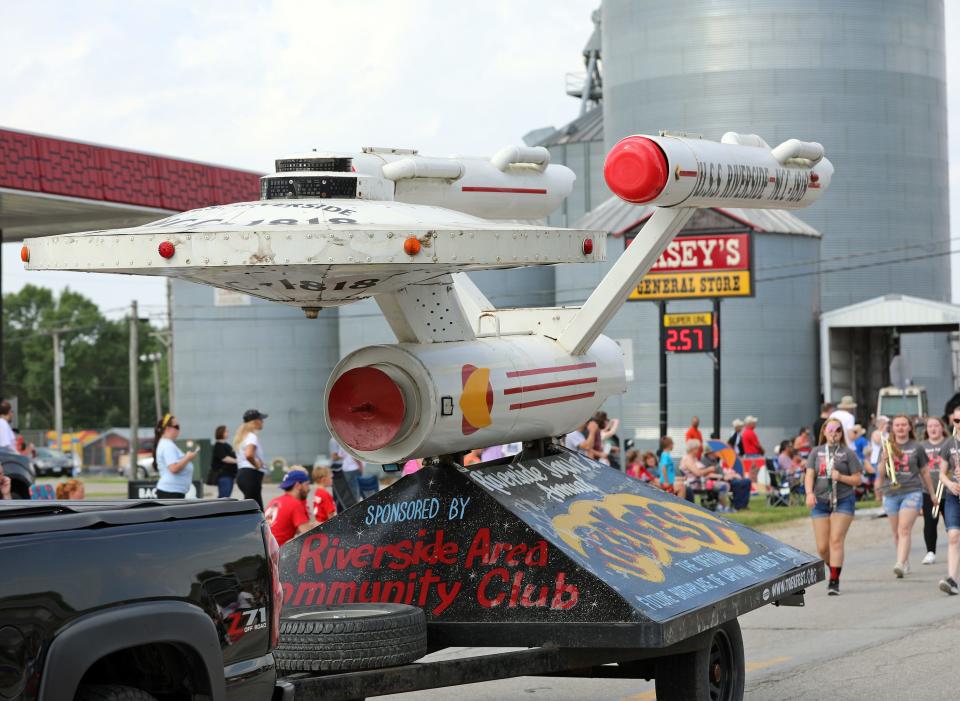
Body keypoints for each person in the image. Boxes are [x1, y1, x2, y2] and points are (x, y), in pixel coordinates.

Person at [805, 417, 863, 595]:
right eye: (830, 429)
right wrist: (809, 493)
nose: (833, 433)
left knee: (836, 540)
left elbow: (858, 480)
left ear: (841, 433)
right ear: (824, 431)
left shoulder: (848, 453)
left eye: (837, 430)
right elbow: (809, 474)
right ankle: (833, 568)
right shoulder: (816, 452)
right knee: (823, 547)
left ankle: (834, 581)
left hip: (843, 500)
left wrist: (841, 477)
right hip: (821, 501)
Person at [875, 414, 938, 578]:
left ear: (910, 427)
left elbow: (925, 472)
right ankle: (904, 559)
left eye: (904, 425)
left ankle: (900, 563)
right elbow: (881, 473)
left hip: (912, 491)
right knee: (896, 532)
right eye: (897, 425)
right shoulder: (886, 445)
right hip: (891, 492)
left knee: (904, 529)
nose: (901, 428)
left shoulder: (916, 447)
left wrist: (932, 493)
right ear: (892, 428)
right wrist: (883, 460)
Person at [937, 406, 960, 594]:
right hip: (954, 495)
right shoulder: (949, 444)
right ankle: (952, 579)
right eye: (957, 421)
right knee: (953, 536)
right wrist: (950, 485)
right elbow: (941, 474)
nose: (959, 424)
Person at [920, 416, 948, 565]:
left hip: (950, 491)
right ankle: (930, 552)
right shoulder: (921, 446)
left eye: (936, 425)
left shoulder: (950, 443)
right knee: (930, 523)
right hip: (929, 492)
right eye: (930, 426)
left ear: (942, 427)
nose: (933, 429)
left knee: (952, 523)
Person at [264, 470, 316, 546]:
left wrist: (311, 525)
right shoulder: (295, 504)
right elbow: (309, 535)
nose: (309, 489)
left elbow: (283, 527)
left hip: (266, 549)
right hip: (279, 552)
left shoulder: (274, 501)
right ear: (298, 485)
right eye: (307, 484)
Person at [152, 414, 198, 499]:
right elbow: (174, 468)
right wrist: (188, 458)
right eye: (176, 426)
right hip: (170, 492)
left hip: (173, 492)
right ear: (167, 429)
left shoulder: (168, 444)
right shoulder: (167, 445)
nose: (178, 429)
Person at [680, 439, 732, 511]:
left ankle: (719, 505)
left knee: (724, 484)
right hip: (696, 483)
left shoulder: (693, 458)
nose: (699, 450)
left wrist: (717, 475)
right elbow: (698, 473)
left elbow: (702, 472)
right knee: (724, 485)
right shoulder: (688, 459)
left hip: (702, 481)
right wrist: (709, 469)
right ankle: (722, 507)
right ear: (693, 449)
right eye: (697, 448)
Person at [235, 409, 269, 510]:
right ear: (255, 422)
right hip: (250, 475)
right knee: (256, 510)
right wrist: (257, 464)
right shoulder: (252, 437)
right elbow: (249, 455)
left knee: (251, 508)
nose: (263, 422)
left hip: (243, 474)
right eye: (261, 419)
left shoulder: (243, 437)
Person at [209, 425, 238, 498]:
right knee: (224, 497)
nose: (228, 432)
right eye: (226, 431)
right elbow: (224, 458)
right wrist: (238, 461)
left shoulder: (226, 445)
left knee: (226, 496)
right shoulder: (218, 446)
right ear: (221, 432)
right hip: (224, 475)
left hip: (230, 475)